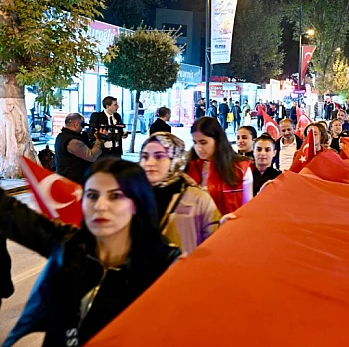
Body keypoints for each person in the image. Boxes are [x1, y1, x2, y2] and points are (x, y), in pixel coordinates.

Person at [0, 158, 180, 345]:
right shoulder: (70, 245)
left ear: (136, 203)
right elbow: (9, 213)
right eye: (92, 196)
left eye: (115, 196)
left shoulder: (165, 267)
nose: (100, 206)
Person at [139, 133, 221, 255]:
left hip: (183, 270)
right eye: (145, 157)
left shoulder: (198, 198)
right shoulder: (131, 195)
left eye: (159, 156)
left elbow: (215, 244)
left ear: (175, 159)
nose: (150, 163)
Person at [185, 117, 253, 215]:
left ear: (217, 140)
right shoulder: (189, 167)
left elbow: (247, 208)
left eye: (203, 142)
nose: (198, 148)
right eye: (195, 142)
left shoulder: (241, 168)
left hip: (230, 227)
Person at [55, 113, 103, 184]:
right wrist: (99, 140)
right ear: (76, 124)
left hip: (67, 177)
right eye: (82, 124)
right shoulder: (73, 141)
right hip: (74, 180)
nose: (83, 127)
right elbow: (91, 156)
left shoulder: (62, 136)